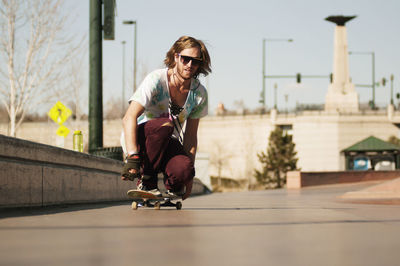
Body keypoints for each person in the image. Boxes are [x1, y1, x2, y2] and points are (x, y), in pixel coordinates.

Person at [121, 36, 211, 200]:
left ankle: (171, 188)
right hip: (141, 141)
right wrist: (132, 156)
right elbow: (129, 117)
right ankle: (147, 182)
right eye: (185, 59)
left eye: (195, 62)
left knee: (185, 169)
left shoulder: (199, 94)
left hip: (167, 142)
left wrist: (187, 177)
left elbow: (190, 136)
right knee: (165, 125)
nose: (190, 65)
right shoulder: (156, 80)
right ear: (176, 57)